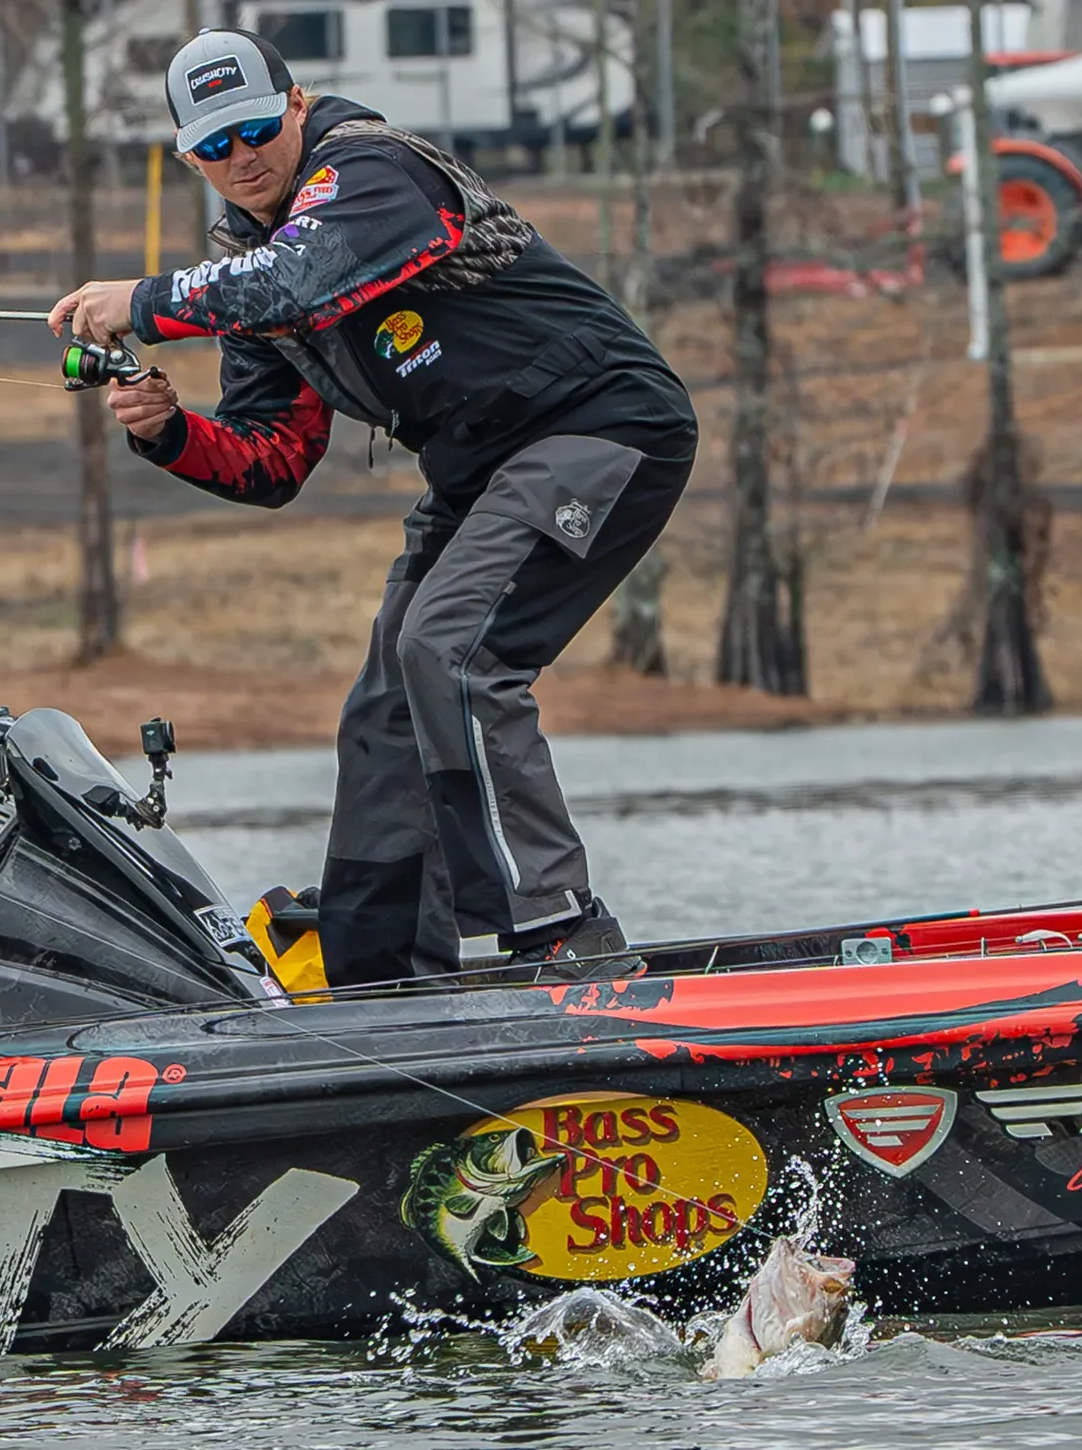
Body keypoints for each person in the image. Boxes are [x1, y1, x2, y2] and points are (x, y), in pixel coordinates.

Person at [50, 30, 698, 987]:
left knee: (453, 649)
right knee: (387, 706)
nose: (245, 157)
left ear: (300, 105)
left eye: (261, 128)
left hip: (602, 422)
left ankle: (562, 932)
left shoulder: (373, 169)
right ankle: (378, 980)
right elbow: (271, 460)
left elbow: (304, 277)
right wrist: (167, 431)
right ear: (190, 157)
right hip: (479, 467)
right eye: (218, 146)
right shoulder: (242, 266)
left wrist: (144, 300)